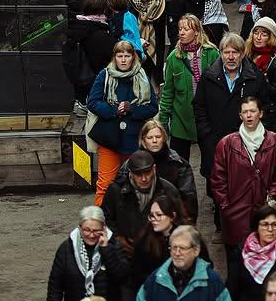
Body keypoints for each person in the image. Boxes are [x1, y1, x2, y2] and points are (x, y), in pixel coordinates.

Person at [210, 94, 276, 256]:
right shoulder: (226, 144)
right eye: (245, 112)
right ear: (240, 116)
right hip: (235, 215)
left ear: (260, 113)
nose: (248, 115)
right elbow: (218, 179)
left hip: (263, 212)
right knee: (236, 263)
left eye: (252, 111)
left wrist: (271, 199)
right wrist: (226, 207)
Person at [46, 205, 130, 301]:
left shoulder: (115, 246)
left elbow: (122, 277)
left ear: (103, 228)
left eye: (96, 231)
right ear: (79, 228)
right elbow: (56, 285)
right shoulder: (66, 249)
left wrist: (106, 250)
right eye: (86, 230)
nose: (91, 235)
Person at [193, 32, 270, 188]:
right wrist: (206, 134)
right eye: (226, 52)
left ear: (241, 54)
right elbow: (199, 107)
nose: (230, 57)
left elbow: (266, 107)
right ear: (221, 53)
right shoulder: (209, 77)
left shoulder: (255, 77)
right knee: (218, 189)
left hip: (248, 144)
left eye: (235, 52)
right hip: (215, 142)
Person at [88, 42, 159, 205]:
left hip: (135, 139)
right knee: (105, 185)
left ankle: (135, 222)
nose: (124, 60)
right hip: (109, 139)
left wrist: (132, 109)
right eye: (120, 56)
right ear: (115, 57)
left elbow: (153, 107)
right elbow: (92, 102)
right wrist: (114, 110)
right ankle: (101, 225)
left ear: (133, 57)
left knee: (137, 183)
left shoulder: (142, 76)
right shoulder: (104, 75)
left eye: (127, 56)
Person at [158, 15, 219, 161]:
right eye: (180, 29)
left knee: (211, 165)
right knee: (178, 164)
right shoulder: (174, 57)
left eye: (186, 29)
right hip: (181, 119)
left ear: (197, 31)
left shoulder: (211, 53)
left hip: (206, 117)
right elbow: (168, 91)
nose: (181, 33)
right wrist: (162, 120)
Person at [102, 150, 182, 252]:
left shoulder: (169, 191)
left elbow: (179, 222)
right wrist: (116, 239)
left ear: (154, 169)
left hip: (158, 252)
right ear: (130, 173)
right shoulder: (116, 190)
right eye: (138, 174)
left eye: (147, 172)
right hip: (124, 252)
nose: (144, 178)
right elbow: (104, 218)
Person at [228, 204, 276, 301]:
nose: (270, 229)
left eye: (274, 224)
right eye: (265, 224)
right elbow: (232, 285)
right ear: (257, 227)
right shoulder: (243, 251)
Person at [130, 120, 198, 223]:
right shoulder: (131, 164)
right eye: (149, 138)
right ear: (143, 141)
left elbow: (188, 197)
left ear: (164, 139)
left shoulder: (178, 164)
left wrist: (186, 225)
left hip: (171, 219)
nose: (154, 141)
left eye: (158, 137)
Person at [243, 16, 276, 127]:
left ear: (270, 38)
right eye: (256, 33)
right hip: (247, 111)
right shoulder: (246, 55)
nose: (258, 37)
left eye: (263, 34)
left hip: (267, 116)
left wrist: (262, 79)